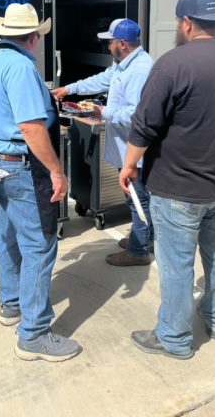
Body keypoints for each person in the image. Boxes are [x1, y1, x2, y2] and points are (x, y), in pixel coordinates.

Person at [119, 0, 215, 360]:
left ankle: (175, 339)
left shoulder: (173, 64)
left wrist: (129, 165)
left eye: (181, 22)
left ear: (187, 22)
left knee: (177, 264)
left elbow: (144, 126)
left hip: (178, 188)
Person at [0, 2, 81, 362]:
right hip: (23, 165)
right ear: (34, 37)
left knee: (8, 237)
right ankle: (34, 335)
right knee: (39, 244)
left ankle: (12, 305)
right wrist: (56, 171)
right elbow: (31, 127)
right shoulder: (21, 68)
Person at [53, 18, 154, 266]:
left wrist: (101, 113)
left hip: (135, 150)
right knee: (135, 197)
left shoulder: (140, 70)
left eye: (109, 42)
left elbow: (136, 115)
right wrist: (68, 89)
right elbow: (101, 79)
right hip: (126, 148)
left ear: (122, 44)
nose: (107, 47)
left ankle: (140, 250)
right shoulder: (124, 64)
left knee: (138, 198)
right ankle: (142, 238)